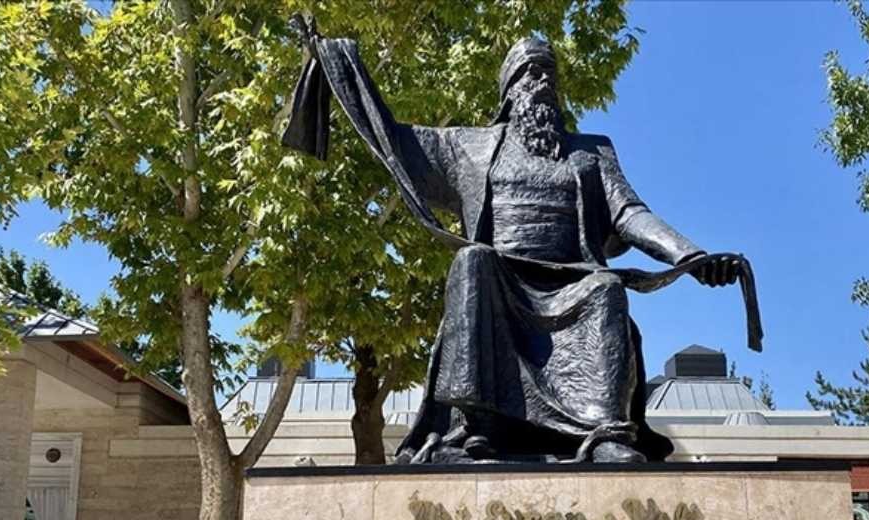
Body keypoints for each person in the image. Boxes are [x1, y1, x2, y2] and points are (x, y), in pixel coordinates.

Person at [283, 22, 759, 463]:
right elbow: (394, 138)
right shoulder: (468, 147)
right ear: (509, 89)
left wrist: (691, 256)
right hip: (500, 283)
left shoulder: (593, 151)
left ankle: (606, 435)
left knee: (607, 288)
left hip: (574, 284)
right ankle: (476, 427)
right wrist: (338, 62)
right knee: (473, 260)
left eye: (549, 72)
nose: (542, 80)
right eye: (530, 71)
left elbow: (630, 214)